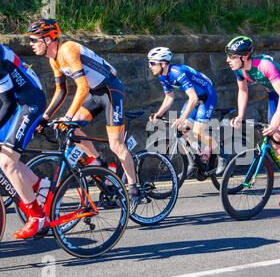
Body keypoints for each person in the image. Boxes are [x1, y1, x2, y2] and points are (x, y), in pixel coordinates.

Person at [27, 19, 141, 204]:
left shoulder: (68, 49)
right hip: (95, 93)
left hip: (111, 90)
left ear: (48, 39)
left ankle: (134, 188)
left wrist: (68, 115)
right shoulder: (53, 59)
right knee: (70, 128)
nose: (30, 44)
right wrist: (45, 117)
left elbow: (82, 87)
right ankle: (100, 165)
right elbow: (61, 91)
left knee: (116, 145)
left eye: (34, 40)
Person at [225, 36, 280, 207]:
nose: (228, 60)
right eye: (228, 56)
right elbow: (243, 91)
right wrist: (240, 115)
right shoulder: (239, 69)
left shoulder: (264, 66)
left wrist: (276, 122)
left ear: (245, 56)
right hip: (273, 93)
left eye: (232, 56)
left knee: (277, 129)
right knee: (274, 140)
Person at [147, 47, 228, 176]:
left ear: (163, 64)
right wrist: (158, 114)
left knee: (198, 131)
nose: (149, 66)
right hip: (194, 98)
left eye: (152, 63)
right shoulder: (163, 76)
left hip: (207, 96)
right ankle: (194, 162)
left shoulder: (177, 72)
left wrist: (182, 118)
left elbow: (194, 98)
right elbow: (169, 97)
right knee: (183, 129)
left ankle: (222, 153)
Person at [0, 43, 50, 239]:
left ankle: (37, 217)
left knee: (7, 162)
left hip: (29, 102)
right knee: (5, 158)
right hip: (15, 100)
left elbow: (9, 104)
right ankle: (40, 186)